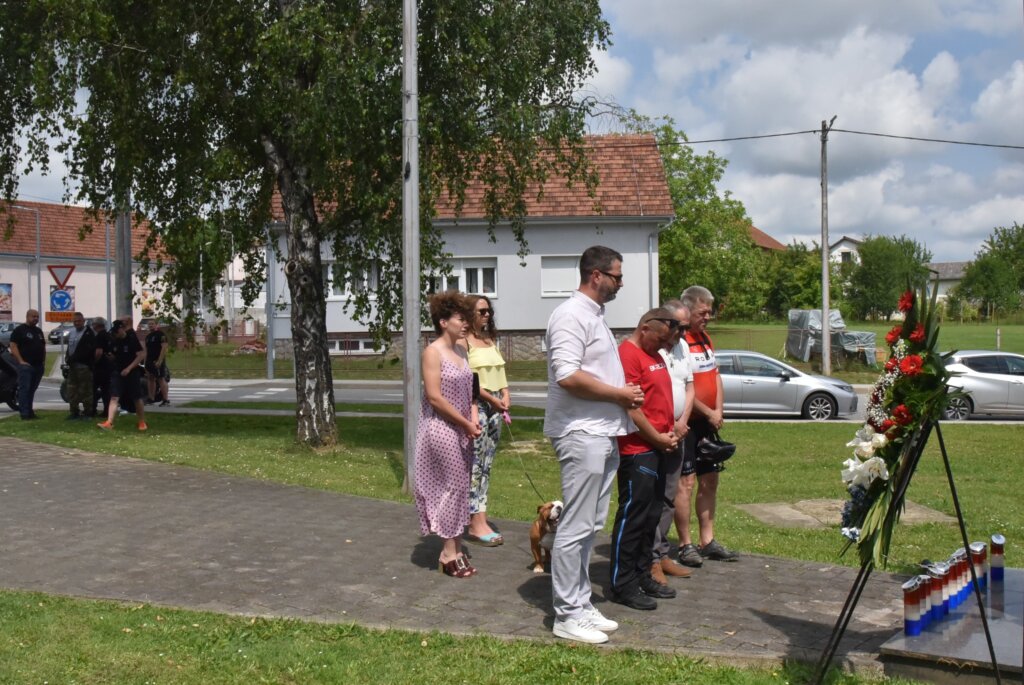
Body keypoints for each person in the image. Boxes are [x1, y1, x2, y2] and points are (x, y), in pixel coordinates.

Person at [544, 245, 642, 645]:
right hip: (581, 432)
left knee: (590, 525)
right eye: (617, 276)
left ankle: (581, 603)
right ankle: (567, 614)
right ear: (596, 275)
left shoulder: (594, 316)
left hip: (601, 433)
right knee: (575, 525)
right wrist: (619, 394)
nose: (621, 283)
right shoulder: (570, 315)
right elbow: (567, 375)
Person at [609, 308, 680, 611]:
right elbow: (632, 408)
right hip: (638, 450)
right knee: (633, 519)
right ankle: (622, 583)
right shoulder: (628, 355)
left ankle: (642, 574)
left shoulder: (655, 354)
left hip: (659, 447)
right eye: (661, 339)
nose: (664, 346)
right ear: (645, 328)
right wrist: (657, 438)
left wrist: (669, 434)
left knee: (651, 517)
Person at [414, 291, 482, 579]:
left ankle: (455, 548)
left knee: (460, 487)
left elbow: (472, 390)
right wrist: (465, 423)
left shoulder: (462, 351)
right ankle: (448, 552)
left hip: (463, 428)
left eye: (467, 318)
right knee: (452, 487)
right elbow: (435, 397)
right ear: (443, 322)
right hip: (441, 428)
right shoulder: (433, 352)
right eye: (460, 318)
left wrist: (473, 417)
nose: (466, 323)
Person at [676, 285, 739, 566]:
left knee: (710, 480)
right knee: (686, 483)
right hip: (687, 422)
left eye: (710, 312)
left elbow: (715, 376)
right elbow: (682, 387)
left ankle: (707, 540)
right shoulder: (679, 342)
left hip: (708, 423)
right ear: (687, 310)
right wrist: (707, 411)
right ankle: (685, 544)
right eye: (703, 312)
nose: (708, 317)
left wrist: (718, 410)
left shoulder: (705, 339)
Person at [649, 300, 695, 584]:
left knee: (669, 496)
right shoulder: (653, 347)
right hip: (656, 433)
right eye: (679, 327)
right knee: (651, 497)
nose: (683, 333)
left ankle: (661, 552)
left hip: (679, 431)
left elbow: (689, 386)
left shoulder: (683, 346)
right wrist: (668, 425)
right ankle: (650, 558)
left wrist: (682, 421)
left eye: (686, 327)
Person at [460, 295, 510, 546]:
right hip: (478, 406)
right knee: (475, 464)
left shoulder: (490, 340)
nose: (487, 315)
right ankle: (474, 521)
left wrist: (505, 396)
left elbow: (500, 374)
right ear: (470, 314)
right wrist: (491, 399)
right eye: (481, 311)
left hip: (496, 407)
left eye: (488, 310)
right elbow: (469, 380)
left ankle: (482, 516)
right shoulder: (463, 343)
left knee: (487, 463)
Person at [97, 319, 147, 431]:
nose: (115, 334)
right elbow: (115, 355)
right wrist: (110, 357)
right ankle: (109, 422)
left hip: (132, 372)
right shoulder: (115, 341)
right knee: (114, 396)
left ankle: (142, 422)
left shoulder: (131, 338)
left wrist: (129, 368)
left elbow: (140, 355)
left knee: (136, 398)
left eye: (117, 331)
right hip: (118, 372)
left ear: (122, 329)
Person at [8, 309, 46, 420]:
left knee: (32, 390)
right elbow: (13, 346)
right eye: (33, 316)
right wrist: (21, 361)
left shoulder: (38, 331)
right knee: (25, 389)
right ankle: (24, 413)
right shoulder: (20, 330)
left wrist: (43, 361)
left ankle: (30, 411)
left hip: (38, 366)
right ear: (27, 316)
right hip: (26, 366)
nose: (36, 319)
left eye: (37, 316)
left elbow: (43, 346)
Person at [64, 311, 97, 419]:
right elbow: (70, 347)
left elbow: (88, 350)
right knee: (72, 390)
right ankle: (74, 412)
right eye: (75, 321)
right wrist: (67, 358)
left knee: (86, 391)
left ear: (83, 321)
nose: (77, 323)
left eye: (79, 321)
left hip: (84, 367)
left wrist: (75, 358)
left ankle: (88, 412)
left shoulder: (88, 333)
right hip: (73, 367)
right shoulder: (72, 332)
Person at [144, 319, 171, 406]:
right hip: (149, 360)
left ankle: (165, 400)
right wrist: (145, 362)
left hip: (157, 360)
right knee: (150, 378)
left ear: (156, 325)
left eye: (152, 324)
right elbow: (146, 350)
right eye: (149, 324)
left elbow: (164, 347)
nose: (150, 325)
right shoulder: (148, 337)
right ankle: (151, 399)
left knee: (160, 379)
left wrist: (160, 360)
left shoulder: (161, 335)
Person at [90, 318, 113, 418]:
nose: (92, 326)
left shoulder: (99, 336)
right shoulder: (109, 335)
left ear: (96, 325)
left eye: (93, 324)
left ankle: (92, 409)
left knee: (93, 389)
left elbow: (98, 352)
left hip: (100, 367)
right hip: (108, 366)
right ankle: (107, 410)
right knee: (106, 390)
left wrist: (94, 362)